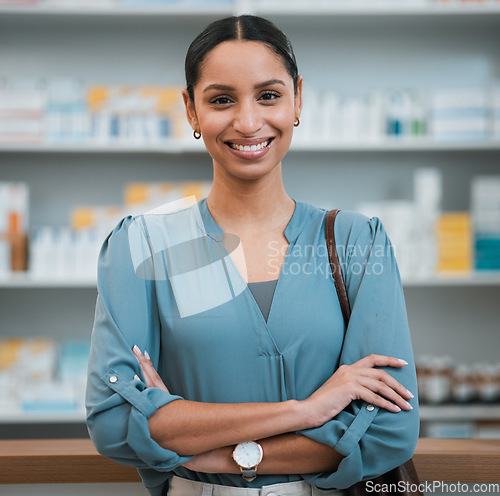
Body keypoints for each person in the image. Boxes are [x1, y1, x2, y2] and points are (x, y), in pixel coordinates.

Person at [86, 14, 419, 496]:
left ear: (298, 98)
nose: (247, 122)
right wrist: (307, 411)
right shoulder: (142, 246)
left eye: (268, 95)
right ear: (191, 111)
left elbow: (388, 431)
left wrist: (202, 442)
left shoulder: (356, 243)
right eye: (221, 99)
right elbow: (115, 422)